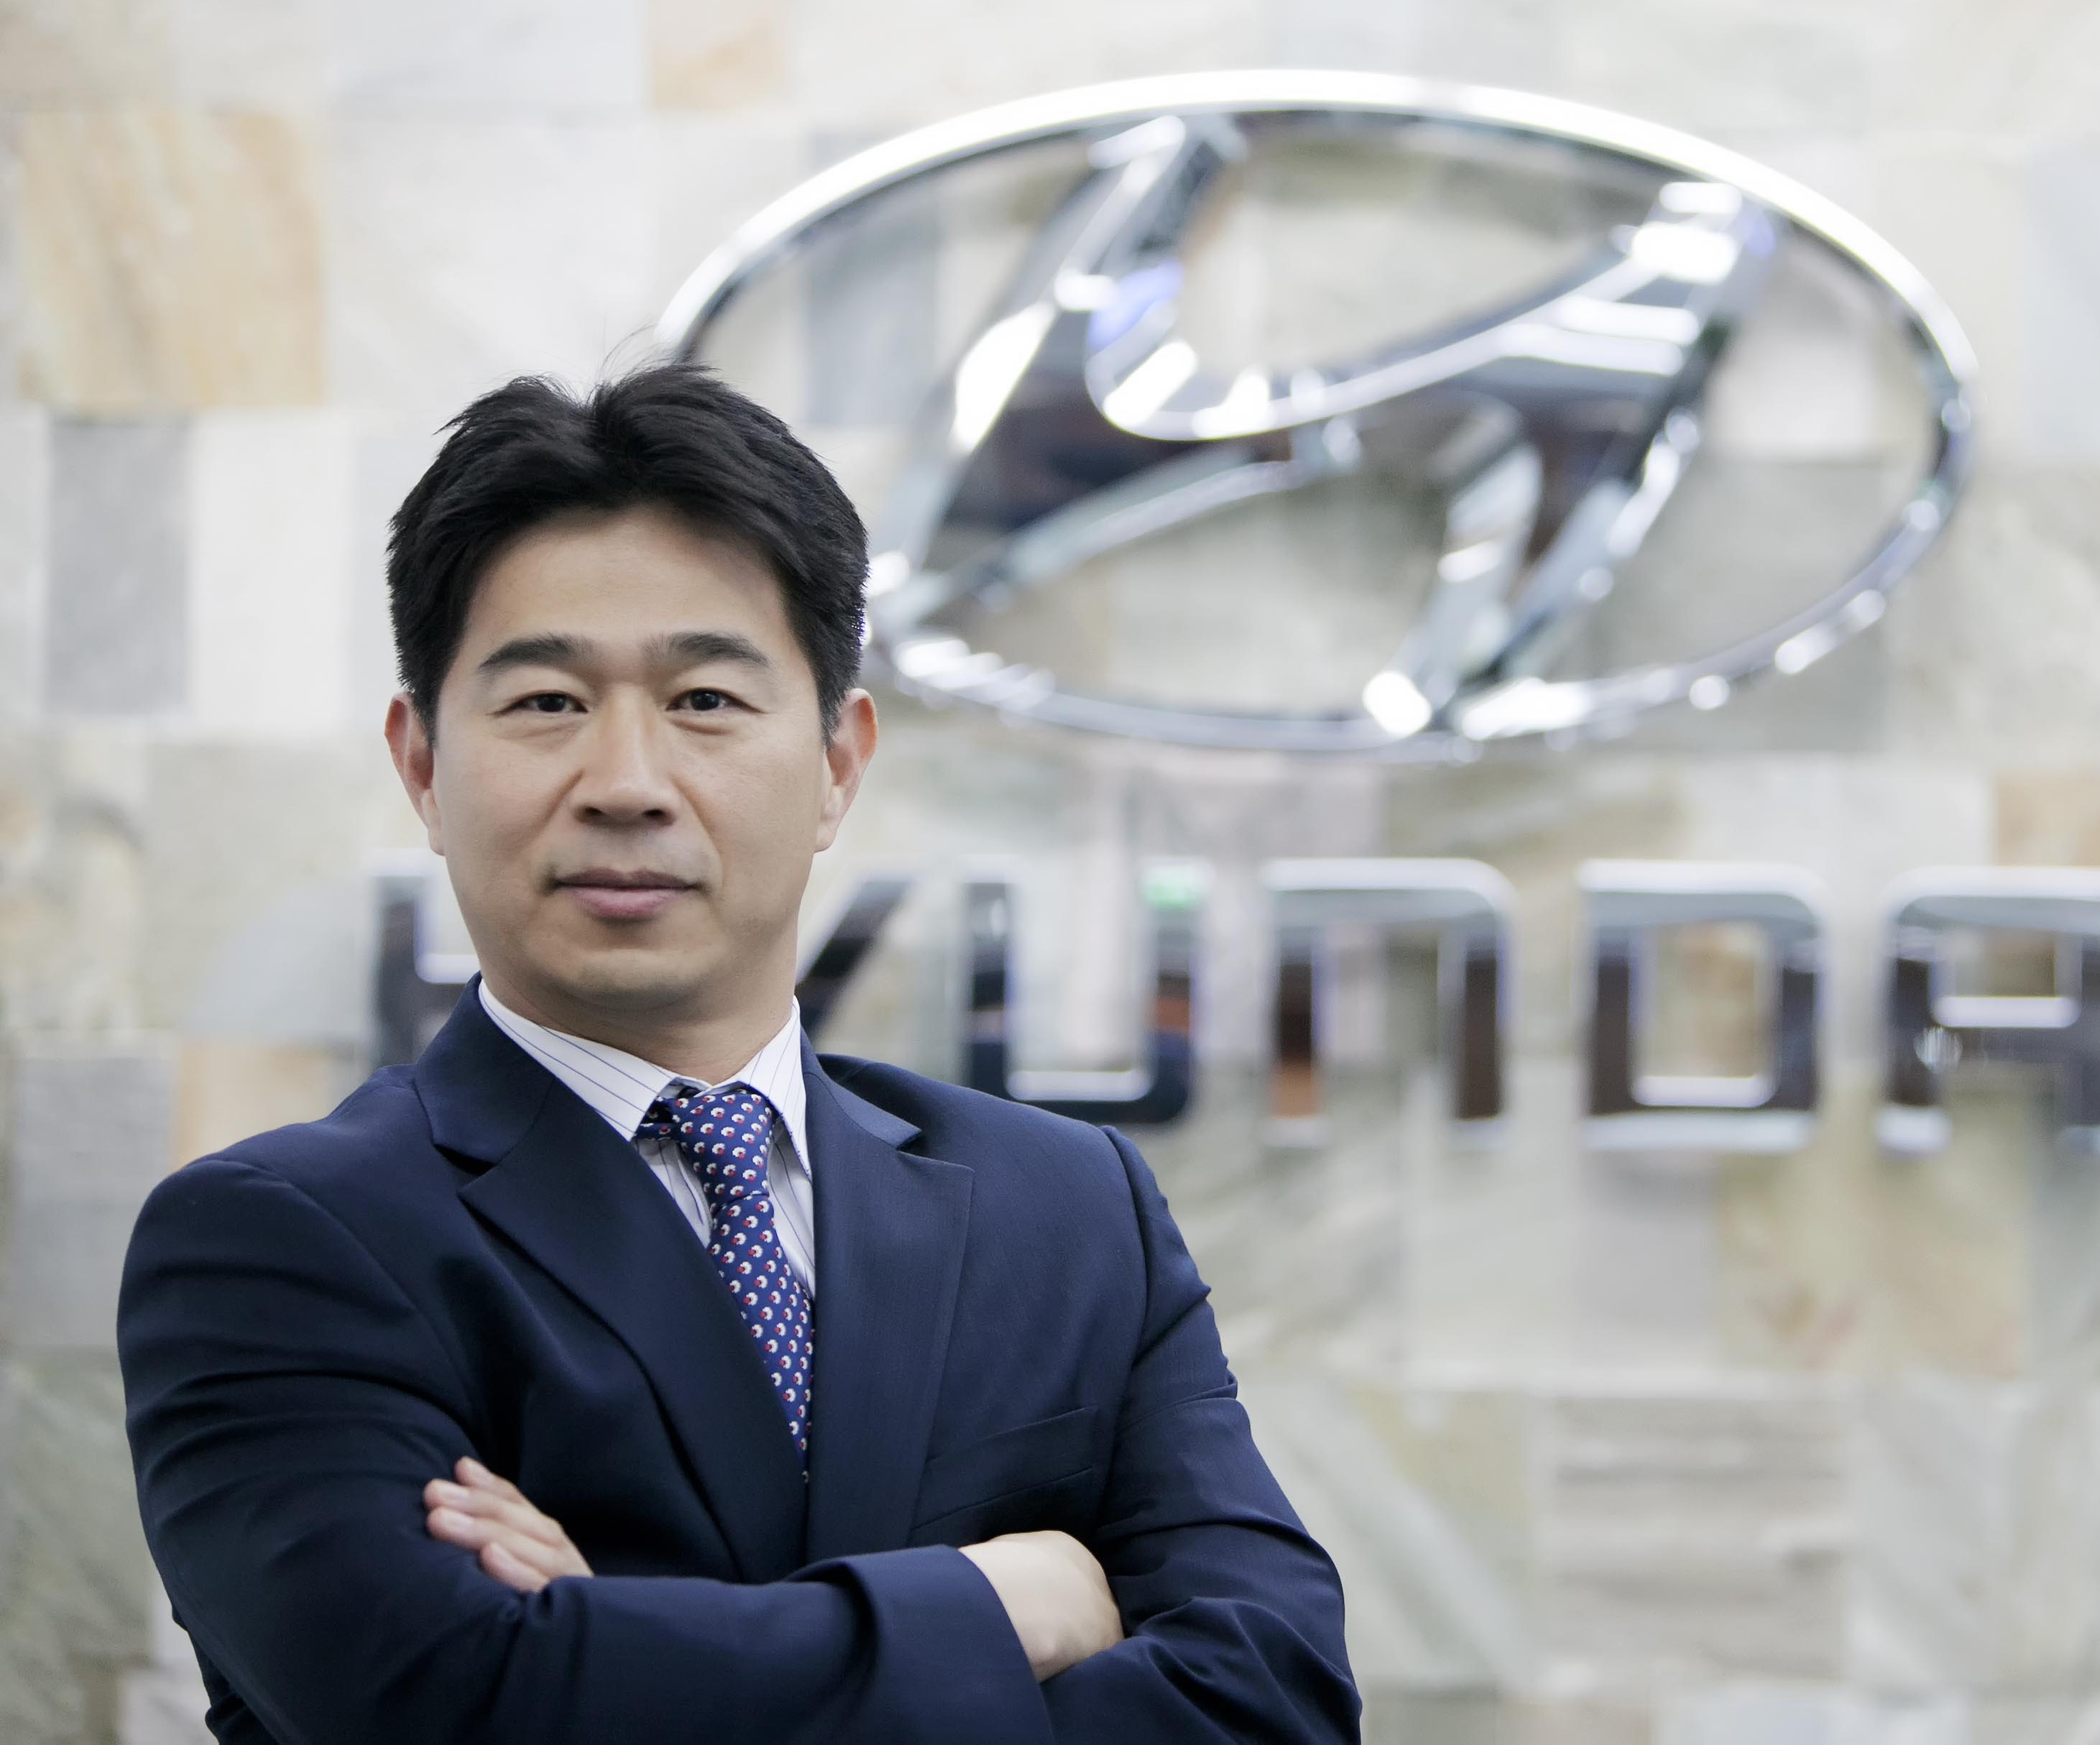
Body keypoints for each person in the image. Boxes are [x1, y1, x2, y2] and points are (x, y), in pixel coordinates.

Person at [116, 365, 1358, 1744]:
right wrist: (1001, 1604)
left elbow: (1273, 1694)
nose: (626, 782)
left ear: (837, 763)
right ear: (422, 766)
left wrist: (621, 1649)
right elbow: (448, 1700)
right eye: (546, 702)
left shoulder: (1068, 1210)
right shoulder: (286, 1241)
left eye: (705, 698)